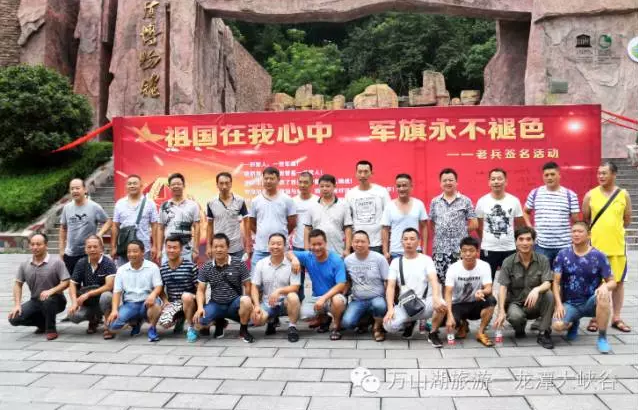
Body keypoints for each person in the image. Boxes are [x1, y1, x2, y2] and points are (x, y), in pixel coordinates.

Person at [582, 161, 632, 334]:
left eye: (604, 173)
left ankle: (616, 317)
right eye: (599, 173)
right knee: (595, 283)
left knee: (618, 283)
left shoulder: (623, 194)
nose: (600, 176)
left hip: (617, 248)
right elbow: (586, 219)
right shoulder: (590, 195)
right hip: (596, 249)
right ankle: (595, 317)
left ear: (614, 174)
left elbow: (627, 220)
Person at [551, 222, 616, 353]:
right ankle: (574, 322)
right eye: (573, 231)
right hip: (571, 303)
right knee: (557, 326)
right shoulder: (562, 254)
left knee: (604, 296)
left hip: (592, 301)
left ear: (589, 235)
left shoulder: (599, 256)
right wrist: (558, 304)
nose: (576, 234)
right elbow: (555, 283)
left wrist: (605, 286)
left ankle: (602, 338)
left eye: (580, 231)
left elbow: (613, 282)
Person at [494, 227, 555, 349]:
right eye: (521, 239)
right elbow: (503, 287)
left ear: (533, 241)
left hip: (535, 303)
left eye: (528, 239)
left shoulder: (542, 260)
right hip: (515, 303)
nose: (525, 243)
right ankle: (519, 328)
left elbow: (548, 283)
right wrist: (501, 311)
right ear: (515, 242)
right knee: (515, 317)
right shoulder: (508, 262)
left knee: (549, 294)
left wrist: (537, 289)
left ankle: (544, 333)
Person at [383, 228, 446, 345]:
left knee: (442, 304)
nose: (408, 242)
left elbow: (434, 280)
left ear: (418, 242)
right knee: (388, 325)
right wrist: (390, 308)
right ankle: (409, 323)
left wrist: (436, 297)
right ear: (401, 242)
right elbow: (390, 287)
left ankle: (433, 333)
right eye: (405, 239)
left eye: (412, 239)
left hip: (426, 302)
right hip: (406, 305)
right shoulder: (396, 262)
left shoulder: (426, 260)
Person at [431, 236, 496, 347]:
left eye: (471, 251)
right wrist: (450, 316)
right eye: (464, 251)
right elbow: (448, 293)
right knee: (447, 321)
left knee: (491, 300)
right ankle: (461, 324)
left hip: (475, 303)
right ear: (460, 252)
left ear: (477, 252)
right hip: (457, 305)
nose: (468, 254)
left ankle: (480, 332)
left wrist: (482, 292)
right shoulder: (453, 268)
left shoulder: (484, 266)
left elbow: (489, 288)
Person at [194, 233, 255, 343]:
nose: (218, 249)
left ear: (228, 247)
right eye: (215, 246)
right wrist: (200, 308)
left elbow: (247, 285)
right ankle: (219, 322)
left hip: (234, 304)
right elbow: (200, 290)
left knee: (246, 301)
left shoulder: (239, 263)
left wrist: (250, 305)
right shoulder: (206, 267)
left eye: (222, 246)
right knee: (199, 323)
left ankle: (243, 330)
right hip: (216, 304)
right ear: (211, 248)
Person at [8, 233, 70, 341]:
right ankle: (42, 324)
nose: (35, 247)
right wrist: (17, 305)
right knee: (14, 319)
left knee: (48, 301)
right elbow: (18, 284)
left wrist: (51, 291)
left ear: (46, 245)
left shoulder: (57, 262)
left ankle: (51, 329)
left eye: (38, 244)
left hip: (56, 300)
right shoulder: (25, 264)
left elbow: (66, 282)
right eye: (32, 244)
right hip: (35, 300)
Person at [290, 229, 347, 341]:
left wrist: (324, 298)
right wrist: (294, 259)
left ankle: (336, 326)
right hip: (316, 297)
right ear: (309, 245)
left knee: (337, 301)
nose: (316, 247)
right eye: (313, 244)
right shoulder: (308, 256)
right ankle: (324, 318)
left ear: (325, 243)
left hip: (334, 297)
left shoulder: (336, 260)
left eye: (320, 244)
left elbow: (341, 285)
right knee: (304, 314)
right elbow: (288, 253)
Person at [523, 162, 579, 267]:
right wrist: (530, 227)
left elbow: (576, 221)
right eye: (546, 175)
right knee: (542, 275)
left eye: (553, 174)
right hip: (541, 245)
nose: (549, 177)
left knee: (564, 275)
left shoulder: (570, 195)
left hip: (564, 246)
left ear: (559, 175)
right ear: (543, 177)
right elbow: (526, 211)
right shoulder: (535, 193)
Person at [106, 240, 163, 342]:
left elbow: (158, 286)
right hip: (130, 304)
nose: (131, 254)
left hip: (147, 302)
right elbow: (117, 292)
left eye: (135, 251)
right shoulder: (121, 270)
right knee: (112, 326)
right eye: (129, 252)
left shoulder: (152, 267)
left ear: (143, 252)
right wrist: (114, 310)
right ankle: (135, 323)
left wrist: (153, 294)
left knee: (155, 305)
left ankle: (152, 328)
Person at [429, 168, 478, 285]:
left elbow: (474, 223)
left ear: (456, 182)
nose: (448, 183)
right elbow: (432, 223)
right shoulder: (435, 202)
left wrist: (460, 230)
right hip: (440, 250)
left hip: (459, 250)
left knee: (460, 281)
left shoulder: (465, 201)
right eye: (444, 180)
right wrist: (442, 231)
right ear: (440, 183)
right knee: (442, 281)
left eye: (451, 180)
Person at [250, 233, 301, 343]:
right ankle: (271, 320)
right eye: (272, 244)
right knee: (258, 320)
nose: (275, 247)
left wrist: (279, 291)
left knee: (293, 297)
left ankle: (292, 327)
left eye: (279, 244)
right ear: (268, 245)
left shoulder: (293, 264)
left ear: (285, 246)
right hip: (268, 303)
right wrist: (257, 306)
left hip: (285, 302)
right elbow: (254, 286)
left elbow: (295, 287)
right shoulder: (261, 264)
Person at [475, 168, 525, 280]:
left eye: (499, 179)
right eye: (493, 179)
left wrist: (518, 244)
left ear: (506, 181)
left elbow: (520, 226)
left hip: (509, 249)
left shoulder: (514, 201)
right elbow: (479, 226)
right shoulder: (482, 201)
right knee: (486, 282)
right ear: (489, 182)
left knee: (512, 283)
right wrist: (487, 239)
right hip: (488, 249)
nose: (496, 181)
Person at [343, 230, 389, 342]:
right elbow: (347, 281)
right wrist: (342, 297)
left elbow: (387, 281)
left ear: (369, 243)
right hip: (358, 300)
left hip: (377, 297)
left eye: (362, 241)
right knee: (347, 323)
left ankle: (377, 328)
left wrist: (389, 301)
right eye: (356, 241)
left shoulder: (379, 258)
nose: (359, 244)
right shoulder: (348, 260)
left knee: (380, 306)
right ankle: (367, 319)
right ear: (351, 244)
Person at [68, 235, 117, 339]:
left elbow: (109, 286)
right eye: (89, 247)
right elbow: (72, 283)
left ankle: (108, 325)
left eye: (95, 247)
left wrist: (88, 294)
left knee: (106, 296)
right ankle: (93, 319)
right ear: (85, 249)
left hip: (104, 300)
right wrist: (74, 302)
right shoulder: (81, 262)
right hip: (89, 303)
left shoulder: (108, 263)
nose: (92, 249)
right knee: (72, 316)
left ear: (101, 248)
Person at [59, 178, 111, 276]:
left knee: (90, 281)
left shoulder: (94, 207)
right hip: (71, 253)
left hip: (89, 253)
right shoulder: (67, 208)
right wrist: (62, 250)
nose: (75, 191)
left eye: (77, 188)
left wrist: (100, 234)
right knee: (73, 282)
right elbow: (63, 228)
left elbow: (108, 222)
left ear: (85, 189)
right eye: (72, 189)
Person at [249, 167, 297, 271]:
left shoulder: (287, 199)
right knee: (256, 278)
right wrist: (262, 233)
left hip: (281, 249)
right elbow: (251, 223)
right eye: (266, 178)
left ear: (278, 180)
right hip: (261, 248)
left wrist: (279, 235)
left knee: (282, 277)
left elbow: (292, 223)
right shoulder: (255, 201)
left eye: (271, 178)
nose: (268, 181)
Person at [111, 174, 159, 266]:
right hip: (124, 248)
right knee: (124, 272)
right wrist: (113, 247)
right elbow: (115, 226)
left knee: (144, 272)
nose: (132, 186)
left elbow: (155, 225)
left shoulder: (150, 203)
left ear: (141, 185)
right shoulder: (120, 204)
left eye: (135, 183)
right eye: (129, 184)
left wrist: (154, 246)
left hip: (144, 248)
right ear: (126, 186)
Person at [158, 236, 199, 342]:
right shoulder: (163, 269)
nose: (171, 250)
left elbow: (199, 289)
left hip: (191, 301)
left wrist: (200, 306)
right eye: (169, 247)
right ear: (165, 248)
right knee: (165, 323)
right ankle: (180, 319)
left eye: (175, 247)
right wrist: (165, 301)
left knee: (186, 297)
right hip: (174, 303)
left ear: (181, 249)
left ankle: (191, 327)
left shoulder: (191, 266)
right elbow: (160, 289)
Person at [345, 160, 391, 254]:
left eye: (366, 172)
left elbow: (388, 217)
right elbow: (347, 220)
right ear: (356, 174)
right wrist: (348, 246)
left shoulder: (382, 192)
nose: (363, 175)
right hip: (357, 243)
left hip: (377, 243)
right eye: (360, 172)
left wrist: (386, 247)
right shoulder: (350, 194)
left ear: (371, 173)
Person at [381, 173, 428, 261]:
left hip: (415, 251)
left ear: (411, 187)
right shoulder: (389, 206)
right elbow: (385, 229)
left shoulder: (419, 204)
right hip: (396, 252)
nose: (401, 189)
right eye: (399, 186)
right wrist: (385, 251)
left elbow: (424, 227)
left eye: (404, 185)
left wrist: (424, 250)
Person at [157, 173, 201, 264]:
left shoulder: (193, 205)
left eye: (178, 184)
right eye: (173, 184)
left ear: (183, 186)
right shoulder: (164, 206)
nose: (176, 186)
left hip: (187, 251)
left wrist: (196, 250)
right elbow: (160, 228)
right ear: (169, 187)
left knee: (187, 273)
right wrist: (159, 250)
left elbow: (197, 227)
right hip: (168, 251)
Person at [206, 172, 250, 261]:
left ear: (231, 184)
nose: (224, 186)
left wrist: (248, 245)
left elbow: (246, 222)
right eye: (221, 183)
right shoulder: (211, 202)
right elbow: (210, 225)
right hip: (218, 247)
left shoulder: (240, 200)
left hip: (236, 247)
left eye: (227, 183)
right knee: (218, 270)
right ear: (217, 185)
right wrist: (208, 246)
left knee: (237, 270)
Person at [305, 174, 353, 256]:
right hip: (316, 251)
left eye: (328, 186)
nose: (324, 189)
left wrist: (347, 249)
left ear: (334, 186)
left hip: (337, 250)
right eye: (322, 186)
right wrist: (307, 250)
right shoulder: (312, 206)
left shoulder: (343, 205)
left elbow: (348, 229)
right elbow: (307, 229)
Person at [292, 172, 318, 301]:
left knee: (317, 277)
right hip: (298, 245)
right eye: (300, 182)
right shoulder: (293, 201)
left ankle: (318, 303)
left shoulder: (317, 200)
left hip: (315, 247)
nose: (302, 185)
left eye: (306, 182)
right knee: (298, 279)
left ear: (312, 184)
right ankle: (298, 303)